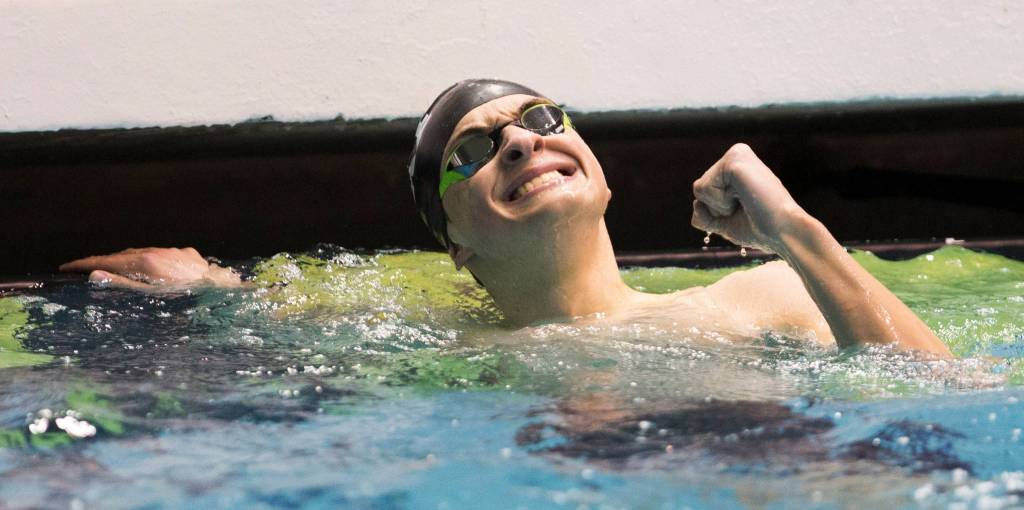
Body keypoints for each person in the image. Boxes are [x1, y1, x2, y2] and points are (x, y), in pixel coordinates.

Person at [60, 79, 952, 358]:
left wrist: (796, 227)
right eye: (475, 150)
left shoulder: (766, 295)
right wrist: (207, 286)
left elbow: (936, 400)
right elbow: (281, 311)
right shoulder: (435, 339)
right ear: (454, 244)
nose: (522, 144)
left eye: (539, 121)